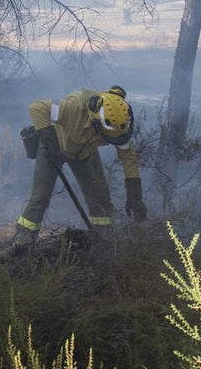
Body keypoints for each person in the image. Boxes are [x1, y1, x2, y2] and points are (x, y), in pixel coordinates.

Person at [13, 85, 147, 254]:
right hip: (53, 147)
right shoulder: (73, 107)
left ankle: (104, 245)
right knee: (39, 197)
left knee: (100, 200)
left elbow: (128, 157)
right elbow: (37, 108)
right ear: (95, 121)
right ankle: (22, 245)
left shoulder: (119, 124)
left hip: (85, 154)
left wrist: (135, 196)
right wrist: (50, 141)